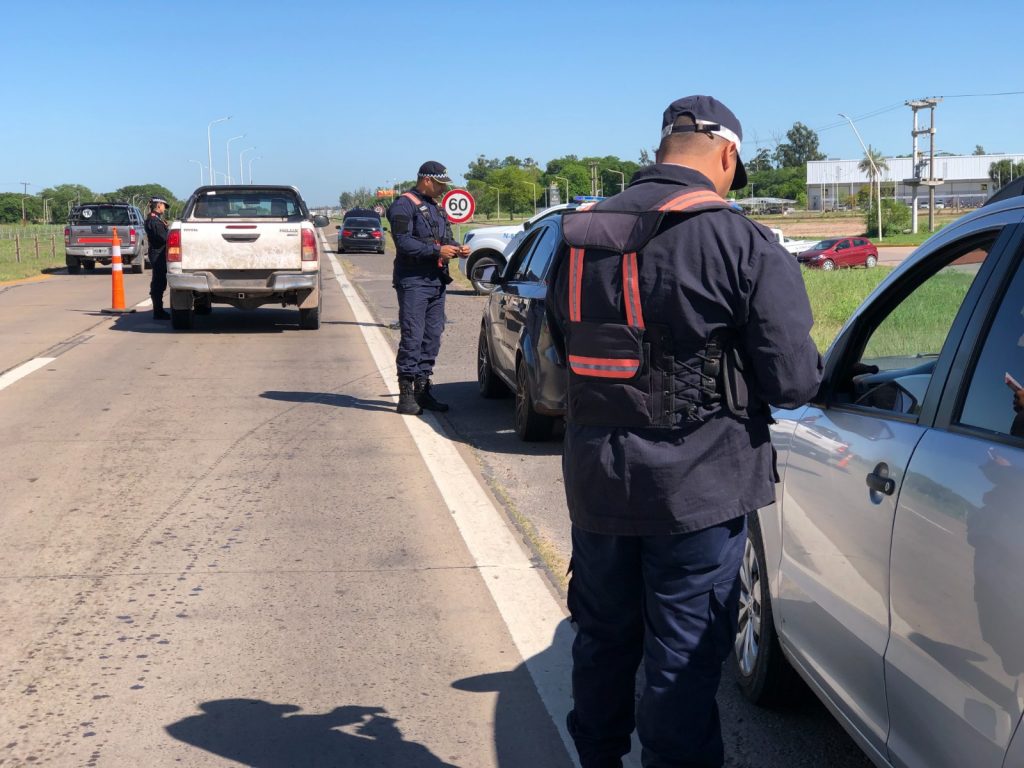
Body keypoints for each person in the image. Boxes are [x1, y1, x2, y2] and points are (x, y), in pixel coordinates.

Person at [547, 95, 823, 767]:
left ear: (662, 146)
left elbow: (560, 349)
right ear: (726, 155)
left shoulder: (577, 235)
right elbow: (794, 382)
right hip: (697, 490)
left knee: (603, 640)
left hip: (598, 482)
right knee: (683, 657)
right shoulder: (741, 241)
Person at [386, 162, 468, 415]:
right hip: (413, 281)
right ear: (427, 180)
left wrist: (456, 248)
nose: (444, 189)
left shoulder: (436, 208)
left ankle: (423, 389)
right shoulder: (403, 204)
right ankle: (406, 394)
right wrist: (436, 250)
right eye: (441, 184)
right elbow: (403, 242)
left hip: (436, 280)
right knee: (413, 335)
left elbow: (444, 238)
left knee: (432, 336)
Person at [145, 196, 170, 320]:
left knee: (160, 281)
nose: (164, 208)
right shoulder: (154, 220)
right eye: (164, 206)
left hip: (159, 253)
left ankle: (158, 310)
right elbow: (164, 238)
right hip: (157, 254)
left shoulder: (156, 219)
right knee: (158, 282)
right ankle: (158, 311)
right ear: (159, 205)